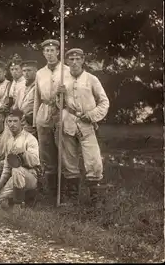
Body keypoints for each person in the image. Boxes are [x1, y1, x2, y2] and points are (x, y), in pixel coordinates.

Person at [57, 48, 110, 206]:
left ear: (82, 60)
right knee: (69, 161)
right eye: (71, 59)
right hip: (68, 122)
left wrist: (92, 115)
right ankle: (72, 199)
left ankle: (96, 200)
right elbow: (58, 105)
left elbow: (104, 102)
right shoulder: (63, 80)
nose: (74, 62)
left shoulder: (91, 79)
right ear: (66, 62)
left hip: (87, 124)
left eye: (77, 59)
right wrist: (58, 95)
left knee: (93, 161)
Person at [33, 39, 70, 199]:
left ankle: (67, 192)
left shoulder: (67, 71)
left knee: (65, 151)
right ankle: (51, 192)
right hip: (44, 113)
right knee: (47, 153)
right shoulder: (40, 73)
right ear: (43, 53)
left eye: (52, 50)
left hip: (62, 113)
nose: (49, 53)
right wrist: (36, 119)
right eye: (46, 51)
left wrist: (65, 92)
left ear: (58, 52)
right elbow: (36, 98)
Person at [0, 109, 41, 210]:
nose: (12, 124)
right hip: (16, 178)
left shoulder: (30, 139)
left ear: (21, 121)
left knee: (17, 170)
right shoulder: (9, 141)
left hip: (31, 176)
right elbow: (7, 166)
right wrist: (0, 184)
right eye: (9, 121)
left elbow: (35, 161)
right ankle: (14, 200)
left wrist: (23, 153)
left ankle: (19, 204)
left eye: (15, 121)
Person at [14, 60, 38, 136]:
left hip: (32, 124)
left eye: (29, 70)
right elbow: (16, 106)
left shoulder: (39, 87)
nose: (26, 73)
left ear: (35, 71)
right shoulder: (21, 88)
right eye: (24, 71)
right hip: (20, 124)